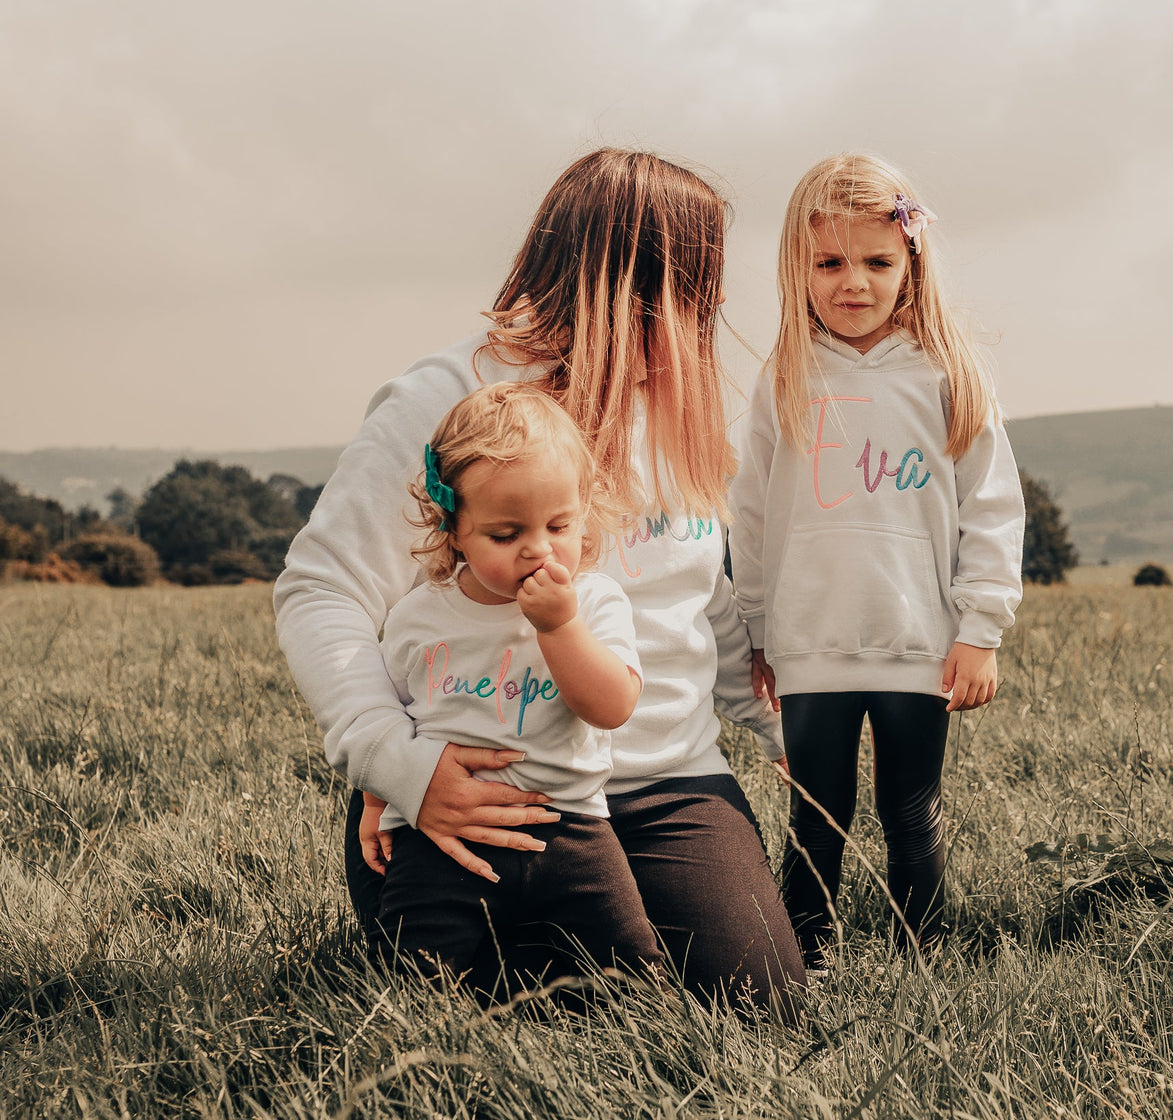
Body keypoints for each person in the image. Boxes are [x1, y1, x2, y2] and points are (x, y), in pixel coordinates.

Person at [274, 148, 804, 1011]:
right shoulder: (450, 397)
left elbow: (698, 596)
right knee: (475, 1007)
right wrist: (396, 762)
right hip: (480, 784)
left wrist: (786, 729)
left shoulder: (678, 403)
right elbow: (321, 591)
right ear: (640, 293)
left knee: (758, 1003)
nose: (696, 329)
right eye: (691, 299)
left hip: (664, 779)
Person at [727, 153, 1024, 971]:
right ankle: (805, 961)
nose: (852, 281)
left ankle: (919, 962)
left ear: (910, 263)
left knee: (910, 812)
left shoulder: (949, 378)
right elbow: (749, 514)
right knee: (816, 817)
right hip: (809, 648)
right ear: (799, 267)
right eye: (829, 262)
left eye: (876, 261)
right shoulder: (783, 378)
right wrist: (754, 628)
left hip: (920, 650)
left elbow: (993, 509)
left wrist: (982, 627)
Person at [358, 382, 660, 994]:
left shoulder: (593, 602)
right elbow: (393, 710)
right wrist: (377, 797)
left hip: (572, 828)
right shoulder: (420, 615)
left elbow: (612, 707)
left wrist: (560, 626)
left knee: (633, 977)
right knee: (415, 976)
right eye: (506, 534)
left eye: (559, 525)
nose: (539, 549)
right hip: (445, 832)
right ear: (454, 529)